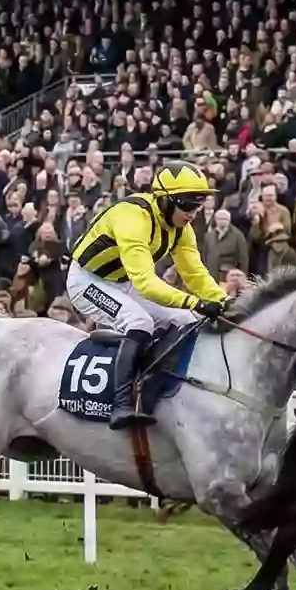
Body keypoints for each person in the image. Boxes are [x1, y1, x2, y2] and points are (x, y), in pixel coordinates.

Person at [66, 164, 231, 430]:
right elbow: (146, 282)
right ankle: (120, 405)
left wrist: (223, 300)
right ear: (165, 199)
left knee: (187, 320)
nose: (193, 212)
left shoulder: (182, 228)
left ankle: (158, 386)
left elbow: (195, 273)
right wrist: (196, 302)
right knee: (139, 322)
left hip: (123, 282)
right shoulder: (134, 217)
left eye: (198, 204)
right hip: (87, 280)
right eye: (188, 204)